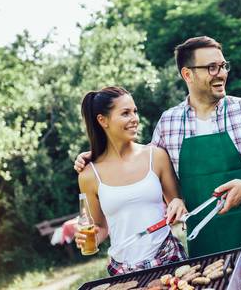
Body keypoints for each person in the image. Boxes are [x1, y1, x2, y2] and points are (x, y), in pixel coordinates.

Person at [75, 37, 241, 259]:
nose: (221, 73)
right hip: (206, 249)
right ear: (187, 74)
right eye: (211, 67)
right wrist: (98, 156)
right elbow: (142, 164)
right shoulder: (169, 123)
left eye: (223, 66)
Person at [74, 86, 187, 276]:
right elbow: (100, 227)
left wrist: (178, 203)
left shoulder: (156, 156)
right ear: (103, 120)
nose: (134, 119)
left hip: (169, 258)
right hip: (124, 270)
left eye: (135, 111)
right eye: (125, 113)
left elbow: (177, 202)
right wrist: (91, 236)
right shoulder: (88, 175)